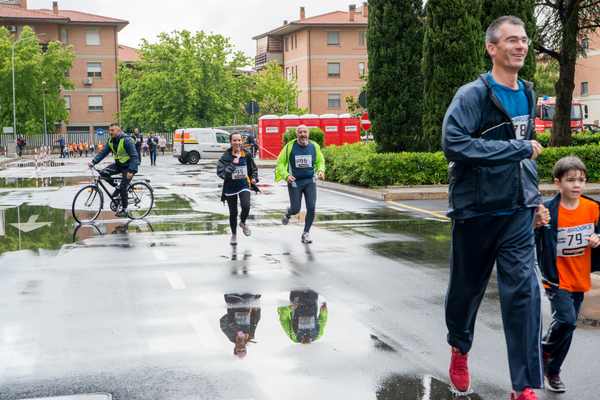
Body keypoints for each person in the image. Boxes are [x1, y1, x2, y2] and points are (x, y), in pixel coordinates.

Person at [442, 16, 548, 400]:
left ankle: (523, 386)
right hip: (476, 211)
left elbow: (528, 152)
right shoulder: (472, 95)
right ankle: (459, 346)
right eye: (512, 41)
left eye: (524, 40)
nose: (521, 46)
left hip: (517, 211)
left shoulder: (528, 92)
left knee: (524, 294)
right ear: (492, 48)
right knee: (465, 291)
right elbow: (454, 144)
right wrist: (514, 150)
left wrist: (534, 198)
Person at [535, 156, 600, 393]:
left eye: (581, 180)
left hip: (580, 277)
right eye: (570, 180)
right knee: (567, 320)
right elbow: (532, 238)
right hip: (556, 278)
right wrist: (535, 224)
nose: (576, 185)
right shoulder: (549, 212)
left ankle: (553, 371)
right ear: (557, 183)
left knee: (569, 327)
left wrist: (597, 239)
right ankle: (544, 349)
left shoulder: (593, 208)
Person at [275, 125, 325, 244]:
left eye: (305, 132)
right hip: (295, 182)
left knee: (311, 207)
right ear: (297, 134)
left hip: (310, 181)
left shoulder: (314, 146)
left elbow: (320, 161)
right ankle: (288, 212)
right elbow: (280, 163)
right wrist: (286, 175)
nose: (303, 134)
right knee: (296, 209)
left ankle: (306, 233)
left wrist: (321, 170)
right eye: (300, 132)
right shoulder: (289, 147)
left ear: (308, 134)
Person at [89, 123, 139, 218]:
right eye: (109, 130)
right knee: (103, 173)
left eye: (112, 130)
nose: (110, 132)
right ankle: (117, 186)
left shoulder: (126, 140)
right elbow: (103, 153)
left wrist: (131, 171)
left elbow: (134, 156)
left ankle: (125, 209)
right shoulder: (111, 141)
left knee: (123, 187)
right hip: (119, 165)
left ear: (119, 131)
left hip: (129, 167)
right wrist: (93, 162)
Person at [216, 132, 259, 246]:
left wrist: (254, 178)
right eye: (234, 140)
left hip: (244, 185)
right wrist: (233, 164)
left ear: (242, 141)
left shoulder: (247, 154)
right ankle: (234, 234)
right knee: (233, 213)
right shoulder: (226, 157)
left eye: (239, 140)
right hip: (230, 187)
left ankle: (243, 222)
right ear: (230, 142)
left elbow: (253, 169)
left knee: (246, 205)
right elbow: (221, 173)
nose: (237, 143)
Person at [219, 293, 261, 358]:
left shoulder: (231, 336)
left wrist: (237, 329)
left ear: (235, 349)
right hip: (248, 302)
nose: (241, 348)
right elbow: (256, 319)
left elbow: (222, 321)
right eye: (243, 350)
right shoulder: (250, 336)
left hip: (233, 301)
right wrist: (256, 306)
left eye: (239, 350)